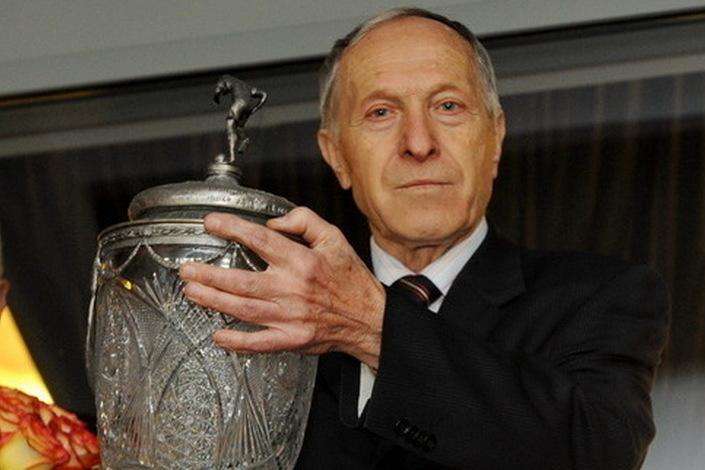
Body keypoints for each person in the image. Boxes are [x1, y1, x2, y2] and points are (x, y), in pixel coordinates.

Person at [179, 7, 670, 469]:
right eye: (381, 113)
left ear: (495, 139)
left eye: (448, 106)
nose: (418, 143)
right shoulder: (271, 320)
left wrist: (372, 325)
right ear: (337, 156)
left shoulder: (600, 296)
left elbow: (595, 453)